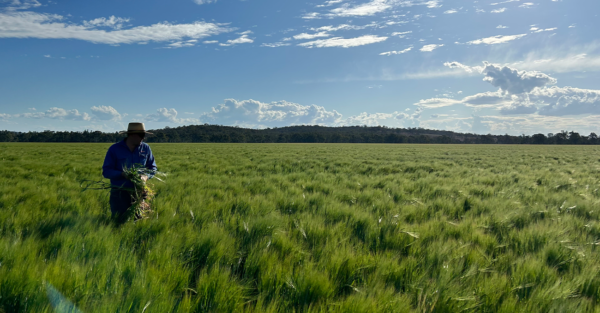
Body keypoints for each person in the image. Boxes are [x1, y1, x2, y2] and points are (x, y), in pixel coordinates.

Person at [102, 122, 157, 218]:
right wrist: (122, 174)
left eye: (143, 135)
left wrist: (145, 176)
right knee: (118, 221)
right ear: (131, 135)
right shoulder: (114, 149)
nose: (143, 138)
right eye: (141, 135)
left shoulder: (146, 148)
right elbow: (106, 171)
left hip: (139, 193)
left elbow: (152, 168)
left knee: (139, 220)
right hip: (119, 193)